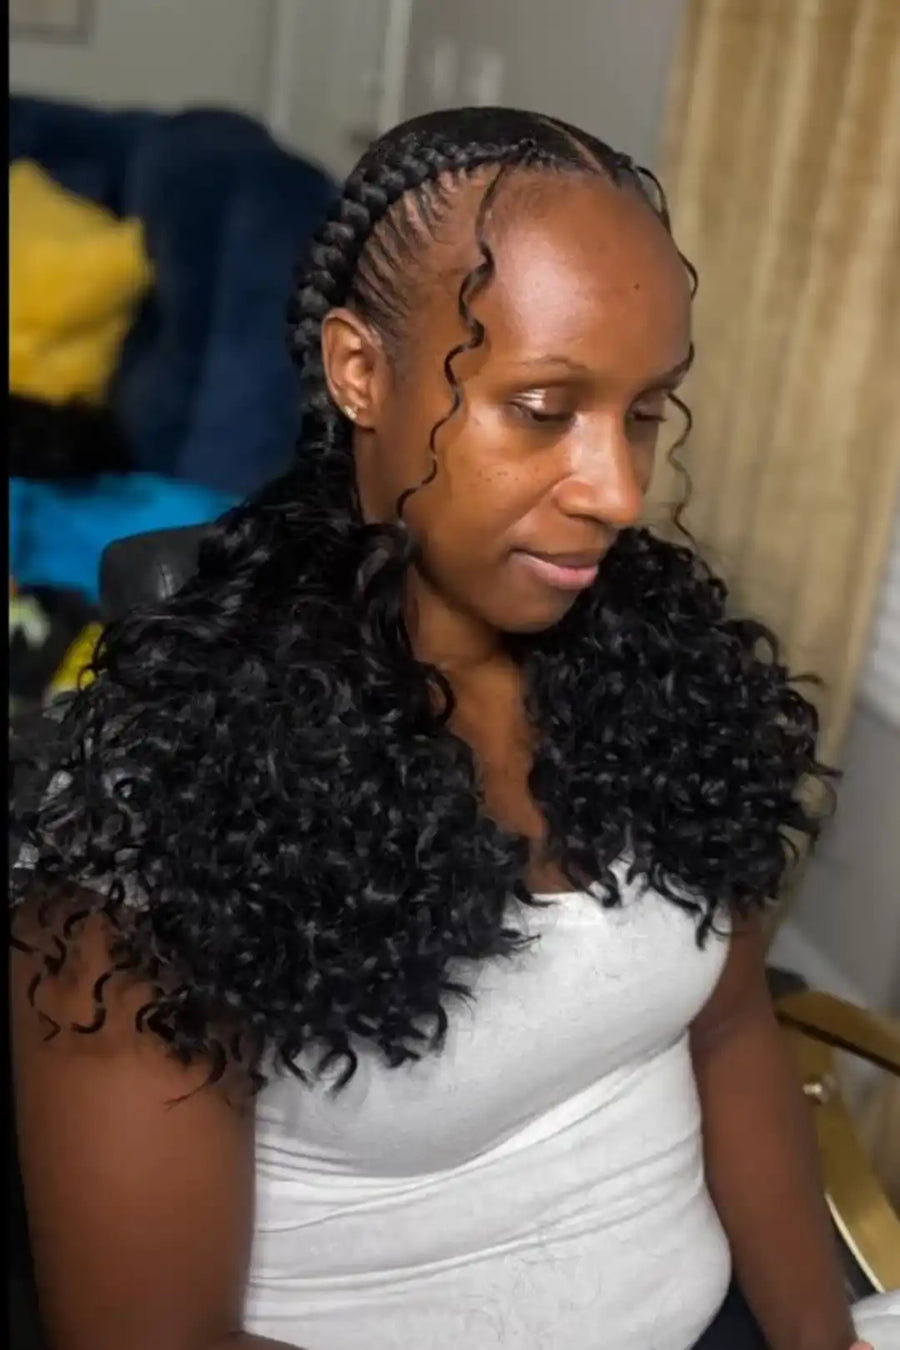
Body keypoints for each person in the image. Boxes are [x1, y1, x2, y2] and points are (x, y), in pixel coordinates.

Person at [10, 106, 875, 1350]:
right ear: (362, 373)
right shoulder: (164, 808)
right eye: (541, 408)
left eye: (643, 414)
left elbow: (730, 1026)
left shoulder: (663, 675)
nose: (619, 495)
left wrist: (823, 1341)